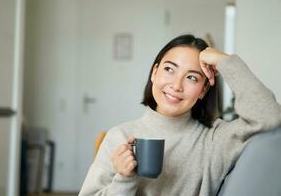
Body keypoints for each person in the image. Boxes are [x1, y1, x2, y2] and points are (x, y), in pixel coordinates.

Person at [78, 34, 281, 196]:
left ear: (203, 90)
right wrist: (124, 178)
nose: (176, 85)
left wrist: (226, 62)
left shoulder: (215, 139)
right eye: (169, 69)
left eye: (192, 77)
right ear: (154, 73)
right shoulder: (120, 136)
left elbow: (270, 118)